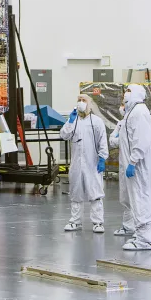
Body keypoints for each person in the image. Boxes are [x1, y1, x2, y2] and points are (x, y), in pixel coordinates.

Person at [59, 94, 108, 233]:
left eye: (83, 100)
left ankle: (98, 223)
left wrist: (102, 158)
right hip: (76, 164)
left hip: (93, 164)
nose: (81, 102)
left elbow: (103, 142)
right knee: (76, 193)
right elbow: (63, 135)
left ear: (90, 104)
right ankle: (75, 221)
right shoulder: (72, 121)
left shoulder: (97, 122)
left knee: (95, 193)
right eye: (79, 100)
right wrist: (70, 121)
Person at [120, 84, 151, 250]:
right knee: (137, 199)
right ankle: (141, 235)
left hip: (139, 165)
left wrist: (133, 161)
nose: (125, 94)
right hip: (136, 164)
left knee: (141, 198)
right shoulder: (132, 112)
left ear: (136, 94)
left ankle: (145, 240)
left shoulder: (139, 112)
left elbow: (141, 139)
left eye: (128, 91)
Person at [110, 102, 134, 237]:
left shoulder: (135, 121)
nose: (122, 107)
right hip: (124, 164)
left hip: (133, 164)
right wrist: (119, 137)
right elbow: (112, 141)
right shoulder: (121, 123)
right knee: (125, 197)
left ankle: (137, 228)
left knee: (134, 197)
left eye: (124, 104)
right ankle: (128, 227)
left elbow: (134, 142)